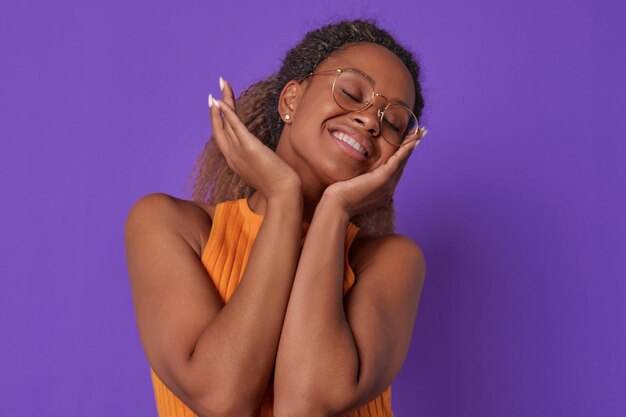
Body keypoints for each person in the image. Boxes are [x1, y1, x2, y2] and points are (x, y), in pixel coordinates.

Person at [124, 18, 428, 417]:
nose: (371, 121)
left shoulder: (390, 262)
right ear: (291, 100)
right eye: (352, 93)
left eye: (393, 123)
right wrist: (284, 198)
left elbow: (305, 405)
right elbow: (222, 399)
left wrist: (334, 211)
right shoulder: (169, 225)